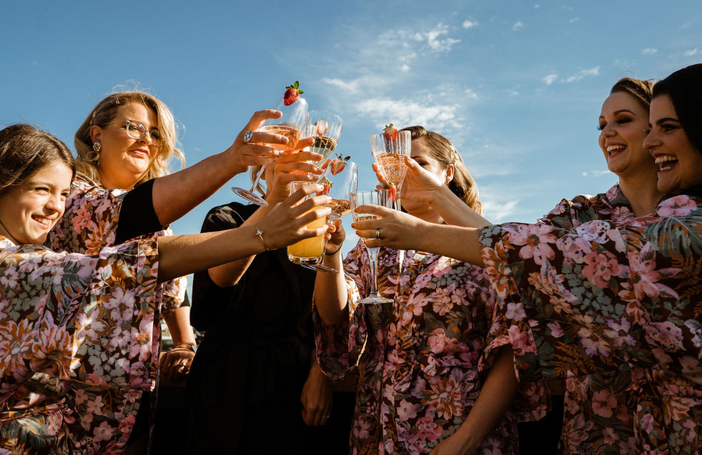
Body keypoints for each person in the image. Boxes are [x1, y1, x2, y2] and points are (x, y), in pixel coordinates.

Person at [352, 64, 702, 453]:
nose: (609, 133)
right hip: (600, 428)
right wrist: (435, 196)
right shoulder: (579, 215)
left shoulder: (685, 227)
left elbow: (534, 257)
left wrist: (419, 231)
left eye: (656, 126)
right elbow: (517, 255)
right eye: (601, 124)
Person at [0, 124, 330, 454]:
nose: (57, 207)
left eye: (63, 195)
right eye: (43, 190)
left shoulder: (15, 258)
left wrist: (184, 344)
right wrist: (259, 234)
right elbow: (127, 265)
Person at [45, 88, 289, 449]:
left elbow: (174, 295)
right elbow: (129, 215)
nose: (147, 139)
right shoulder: (68, 193)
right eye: (134, 127)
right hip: (65, 396)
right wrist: (233, 160)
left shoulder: (159, 223)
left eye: (155, 134)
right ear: (96, 134)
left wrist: (185, 344)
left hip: (133, 397)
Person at [313, 126, 544, 455]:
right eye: (396, 164)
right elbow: (334, 314)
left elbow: (515, 347)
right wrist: (331, 253)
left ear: (448, 173)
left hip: (459, 426)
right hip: (378, 425)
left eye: (417, 162)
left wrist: (468, 439)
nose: (405, 173)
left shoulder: (481, 245)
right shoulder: (371, 246)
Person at [183, 143, 349, 454]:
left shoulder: (316, 230)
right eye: (284, 163)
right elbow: (221, 278)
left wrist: (320, 371)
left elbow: (328, 317)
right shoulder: (228, 217)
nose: (294, 172)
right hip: (224, 380)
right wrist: (274, 203)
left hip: (292, 382)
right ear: (263, 171)